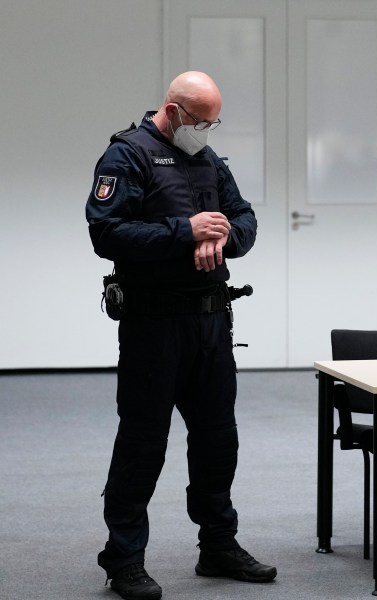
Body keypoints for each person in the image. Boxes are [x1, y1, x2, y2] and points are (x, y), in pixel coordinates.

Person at [85, 71, 275, 600]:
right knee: (143, 443)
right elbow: (107, 233)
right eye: (200, 121)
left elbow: (244, 219)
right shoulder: (127, 157)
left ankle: (218, 545)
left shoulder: (208, 159)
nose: (206, 131)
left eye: (214, 123)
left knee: (218, 440)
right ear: (172, 111)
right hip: (154, 326)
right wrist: (185, 233)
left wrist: (223, 238)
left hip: (211, 324)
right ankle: (124, 560)